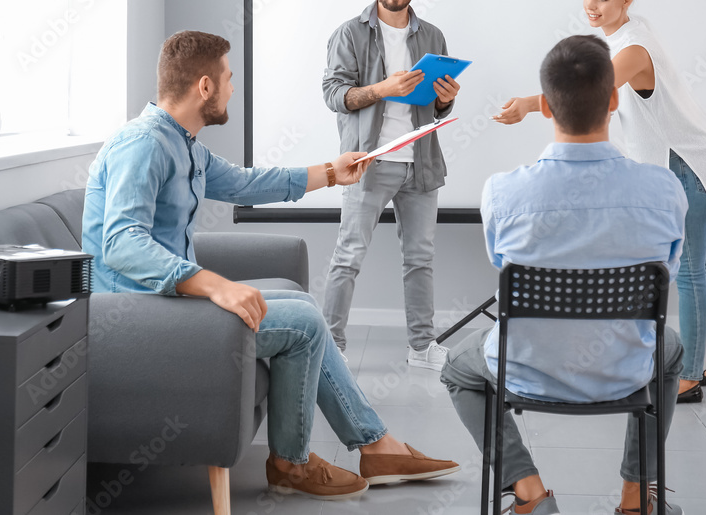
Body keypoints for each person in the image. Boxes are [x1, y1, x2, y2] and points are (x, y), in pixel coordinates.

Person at [81, 30, 460, 500]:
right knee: (302, 322)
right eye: (228, 78)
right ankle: (302, 462)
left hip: (164, 304)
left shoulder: (182, 143)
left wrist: (328, 172)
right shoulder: (144, 145)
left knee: (302, 306)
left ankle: (363, 448)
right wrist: (213, 285)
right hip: (139, 317)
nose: (232, 88)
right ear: (204, 86)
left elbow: (243, 184)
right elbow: (121, 243)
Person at [441, 35, 688, 515]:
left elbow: (502, 263)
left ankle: (529, 493)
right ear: (615, 98)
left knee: (456, 370)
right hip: (624, 371)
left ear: (546, 107)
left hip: (526, 370)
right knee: (670, 352)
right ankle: (637, 500)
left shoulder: (502, 192)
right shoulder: (664, 189)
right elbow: (667, 274)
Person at [495, 0, 706, 404]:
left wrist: (528, 103)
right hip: (697, 155)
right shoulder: (628, 31)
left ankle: (688, 375)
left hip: (687, 162)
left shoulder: (632, 49)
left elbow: (588, 92)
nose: (591, 7)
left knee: (691, 270)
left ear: (626, 0)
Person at [321, 0, 461, 370]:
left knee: (420, 259)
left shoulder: (432, 35)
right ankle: (330, 348)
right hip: (369, 161)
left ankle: (421, 348)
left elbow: (433, 106)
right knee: (348, 256)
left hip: (420, 163)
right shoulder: (350, 32)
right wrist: (383, 88)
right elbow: (334, 95)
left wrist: (446, 100)